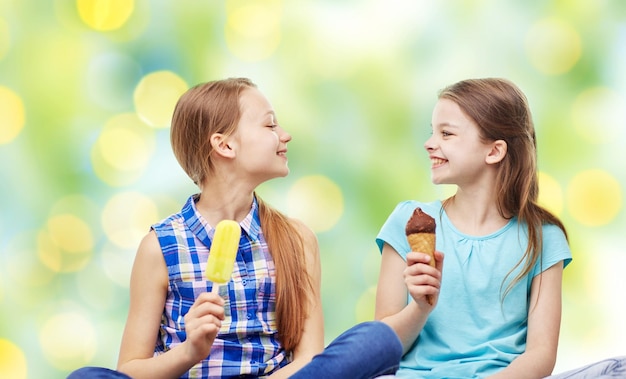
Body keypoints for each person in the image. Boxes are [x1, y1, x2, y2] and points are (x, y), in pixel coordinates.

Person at [67, 77, 401, 379]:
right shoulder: (161, 247)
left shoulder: (297, 239)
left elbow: (309, 359)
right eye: (270, 125)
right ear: (225, 145)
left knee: (378, 340)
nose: (285, 135)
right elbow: (131, 369)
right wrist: (189, 351)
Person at [374, 78, 573, 378]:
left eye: (447, 133)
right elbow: (380, 351)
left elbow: (541, 354)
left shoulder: (542, 238)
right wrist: (419, 307)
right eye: (432, 132)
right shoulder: (409, 222)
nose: (430, 143)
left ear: (494, 151)